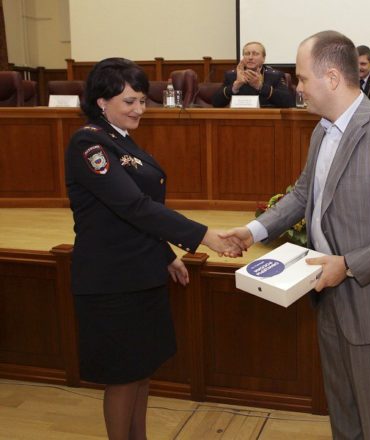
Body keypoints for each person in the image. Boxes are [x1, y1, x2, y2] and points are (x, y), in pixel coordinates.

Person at [222, 31, 370, 439]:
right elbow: (304, 193)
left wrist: (350, 265)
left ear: (332, 78)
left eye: (303, 79)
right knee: (342, 410)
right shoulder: (322, 129)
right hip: (327, 294)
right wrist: (253, 231)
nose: (298, 88)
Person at [65, 57, 241, 440]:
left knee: (141, 371)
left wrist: (165, 255)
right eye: (129, 101)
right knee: (123, 376)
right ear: (101, 101)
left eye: (143, 100)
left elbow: (138, 214)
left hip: (140, 271)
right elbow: (134, 206)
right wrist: (205, 236)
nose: (139, 109)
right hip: (112, 281)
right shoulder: (88, 143)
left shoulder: (120, 138)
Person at [212, 41, 293, 108]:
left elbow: (288, 102)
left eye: (255, 54)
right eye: (247, 54)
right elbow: (215, 103)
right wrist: (234, 87)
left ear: (263, 58)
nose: (250, 57)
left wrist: (260, 86)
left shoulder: (275, 76)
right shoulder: (232, 75)